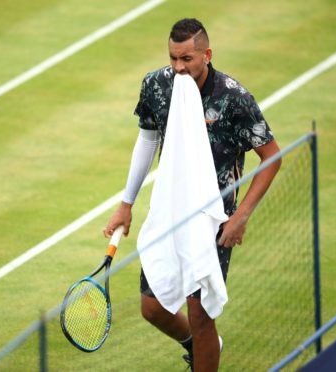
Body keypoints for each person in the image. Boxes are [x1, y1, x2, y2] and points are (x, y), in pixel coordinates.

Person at [103, 18, 281, 371]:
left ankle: (203, 347)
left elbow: (271, 156)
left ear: (207, 54)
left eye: (187, 59)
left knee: (200, 316)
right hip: (170, 213)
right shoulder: (156, 85)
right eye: (173, 58)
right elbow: (148, 138)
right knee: (153, 308)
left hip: (213, 222)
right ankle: (203, 347)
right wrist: (126, 204)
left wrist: (240, 217)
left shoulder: (234, 98)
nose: (179, 68)